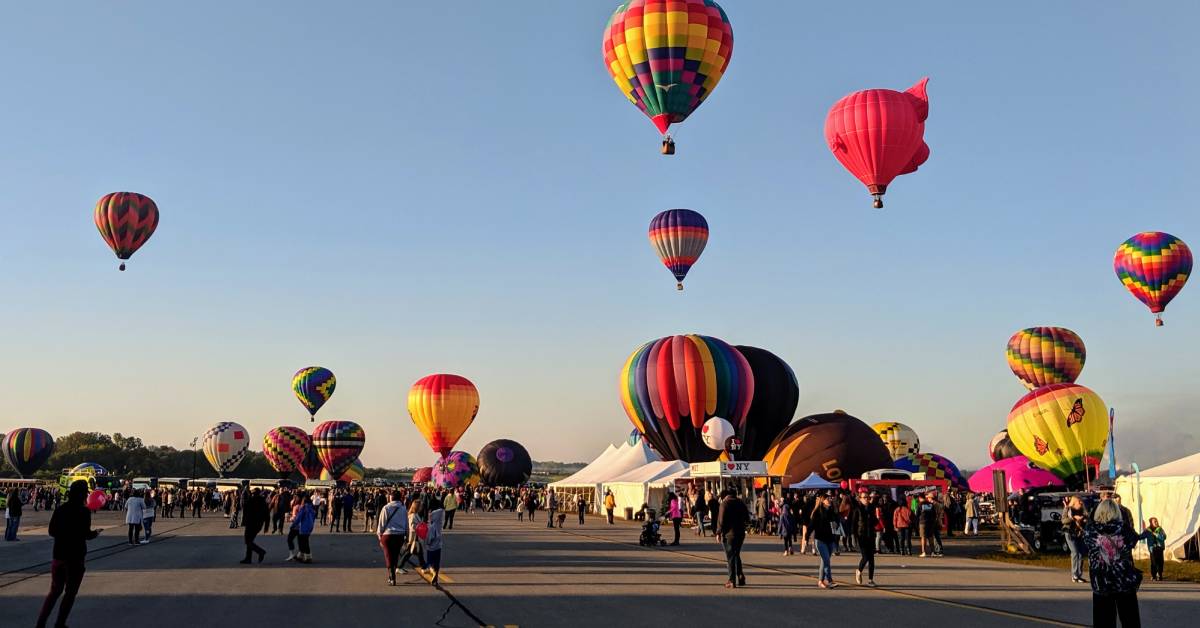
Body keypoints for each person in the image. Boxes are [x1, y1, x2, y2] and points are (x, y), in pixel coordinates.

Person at [36, 481, 100, 628]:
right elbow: (86, 535)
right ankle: (60, 623)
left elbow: (51, 531)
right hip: (75, 558)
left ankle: (40, 623)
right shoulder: (84, 512)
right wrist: (95, 533)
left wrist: (63, 535)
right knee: (70, 593)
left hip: (58, 555)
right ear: (83, 494)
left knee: (54, 591)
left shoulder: (60, 509)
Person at [1083, 499, 1143, 628]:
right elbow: (1133, 541)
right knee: (1130, 620)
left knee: (1103, 621)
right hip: (1123, 581)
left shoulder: (1090, 531)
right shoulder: (1124, 529)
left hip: (1101, 582)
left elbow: (1086, 543)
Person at [716, 489, 749, 588]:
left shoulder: (724, 504)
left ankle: (731, 580)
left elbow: (721, 520)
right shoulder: (740, 503)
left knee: (730, 556)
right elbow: (747, 518)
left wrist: (718, 532)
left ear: (726, 496)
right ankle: (740, 575)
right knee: (736, 554)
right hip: (740, 533)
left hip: (729, 534)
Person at [377, 490, 408, 585]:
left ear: (391, 497)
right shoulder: (403, 509)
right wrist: (406, 535)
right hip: (400, 535)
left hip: (388, 535)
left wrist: (379, 535)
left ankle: (392, 577)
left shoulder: (386, 508)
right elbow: (406, 523)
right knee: (395, 555)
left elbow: (381, 523)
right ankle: (392, 575)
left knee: (388, 556)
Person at [849, 491, 878, 586]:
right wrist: (853, 536)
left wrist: (875, 518)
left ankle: (870, 580)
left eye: (867, 497)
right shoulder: (857, 509)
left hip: (871, 535)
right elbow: (853, 524)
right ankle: (859, 570)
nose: (866, 499)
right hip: (861, 535)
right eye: (864, 497)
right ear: (860, 499)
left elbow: (875, 522)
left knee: (872, 559)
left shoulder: (871, 508)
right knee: (865, 557)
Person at [810, 493, 839, 589]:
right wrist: (806, 538)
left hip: (830, 539)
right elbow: (811, 526)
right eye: (828, 499)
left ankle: (820, 581)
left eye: (830, 498)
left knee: (824, 561)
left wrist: (835, 509)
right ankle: (829, 580)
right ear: (823, 501)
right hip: (820, 540)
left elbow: (836, 522)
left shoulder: (831, 511)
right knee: (826, 560)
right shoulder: (818, 512)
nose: (830, 500)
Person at [1064, 495, 1089, 583]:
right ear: (1074, 502)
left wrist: (1084, 519)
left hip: (1079, 533)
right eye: (1079, 501)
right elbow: (1063, 520)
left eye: (1081, 501)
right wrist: (1074, 518)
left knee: (1081, 553)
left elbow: (1087, 516)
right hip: (1070, 533)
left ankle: (1079, 575)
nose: (1081, 503)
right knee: (1075, 552)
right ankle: (1074, 575)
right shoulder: (1068, 509)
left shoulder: (1083, 509)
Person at [239, 488, 268, 564]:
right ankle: (248, 558)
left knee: (247, 541)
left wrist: (243, 522)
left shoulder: (251, 500)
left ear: (253, 493)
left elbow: (244, 508)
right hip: (259, 525)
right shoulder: (263, 501)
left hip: (250, 524)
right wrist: (266, 526)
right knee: (250, 541)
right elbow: (267, 514)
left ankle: (260, 551)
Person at [400, 500, 428, 573]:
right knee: (418, 552)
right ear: (417, 507)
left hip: (416, 537)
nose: (422, 507)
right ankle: (424, 567)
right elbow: (412, 530)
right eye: (421, 506)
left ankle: (399, 566)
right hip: (414, 538)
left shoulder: (415, 515)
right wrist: (410, 541)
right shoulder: (413, 516)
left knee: (410, 553)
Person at [425, 502, 445, 586]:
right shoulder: (439, 523)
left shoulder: (431, 526)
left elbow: (429, 538)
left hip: (431, 547)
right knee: (437, 562)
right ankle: (436, 576)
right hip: (439, 545)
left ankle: (433, 572)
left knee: (430, 562)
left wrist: (427, 542)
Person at [918, 493, 943, 557]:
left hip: (923, 523)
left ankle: (924, 552)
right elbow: (935, 514)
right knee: (931, 537)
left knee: (923, 537)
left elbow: (917, 514)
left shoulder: (920, 504)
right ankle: (933, 552)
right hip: (931, 523)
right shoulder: (931, 505)